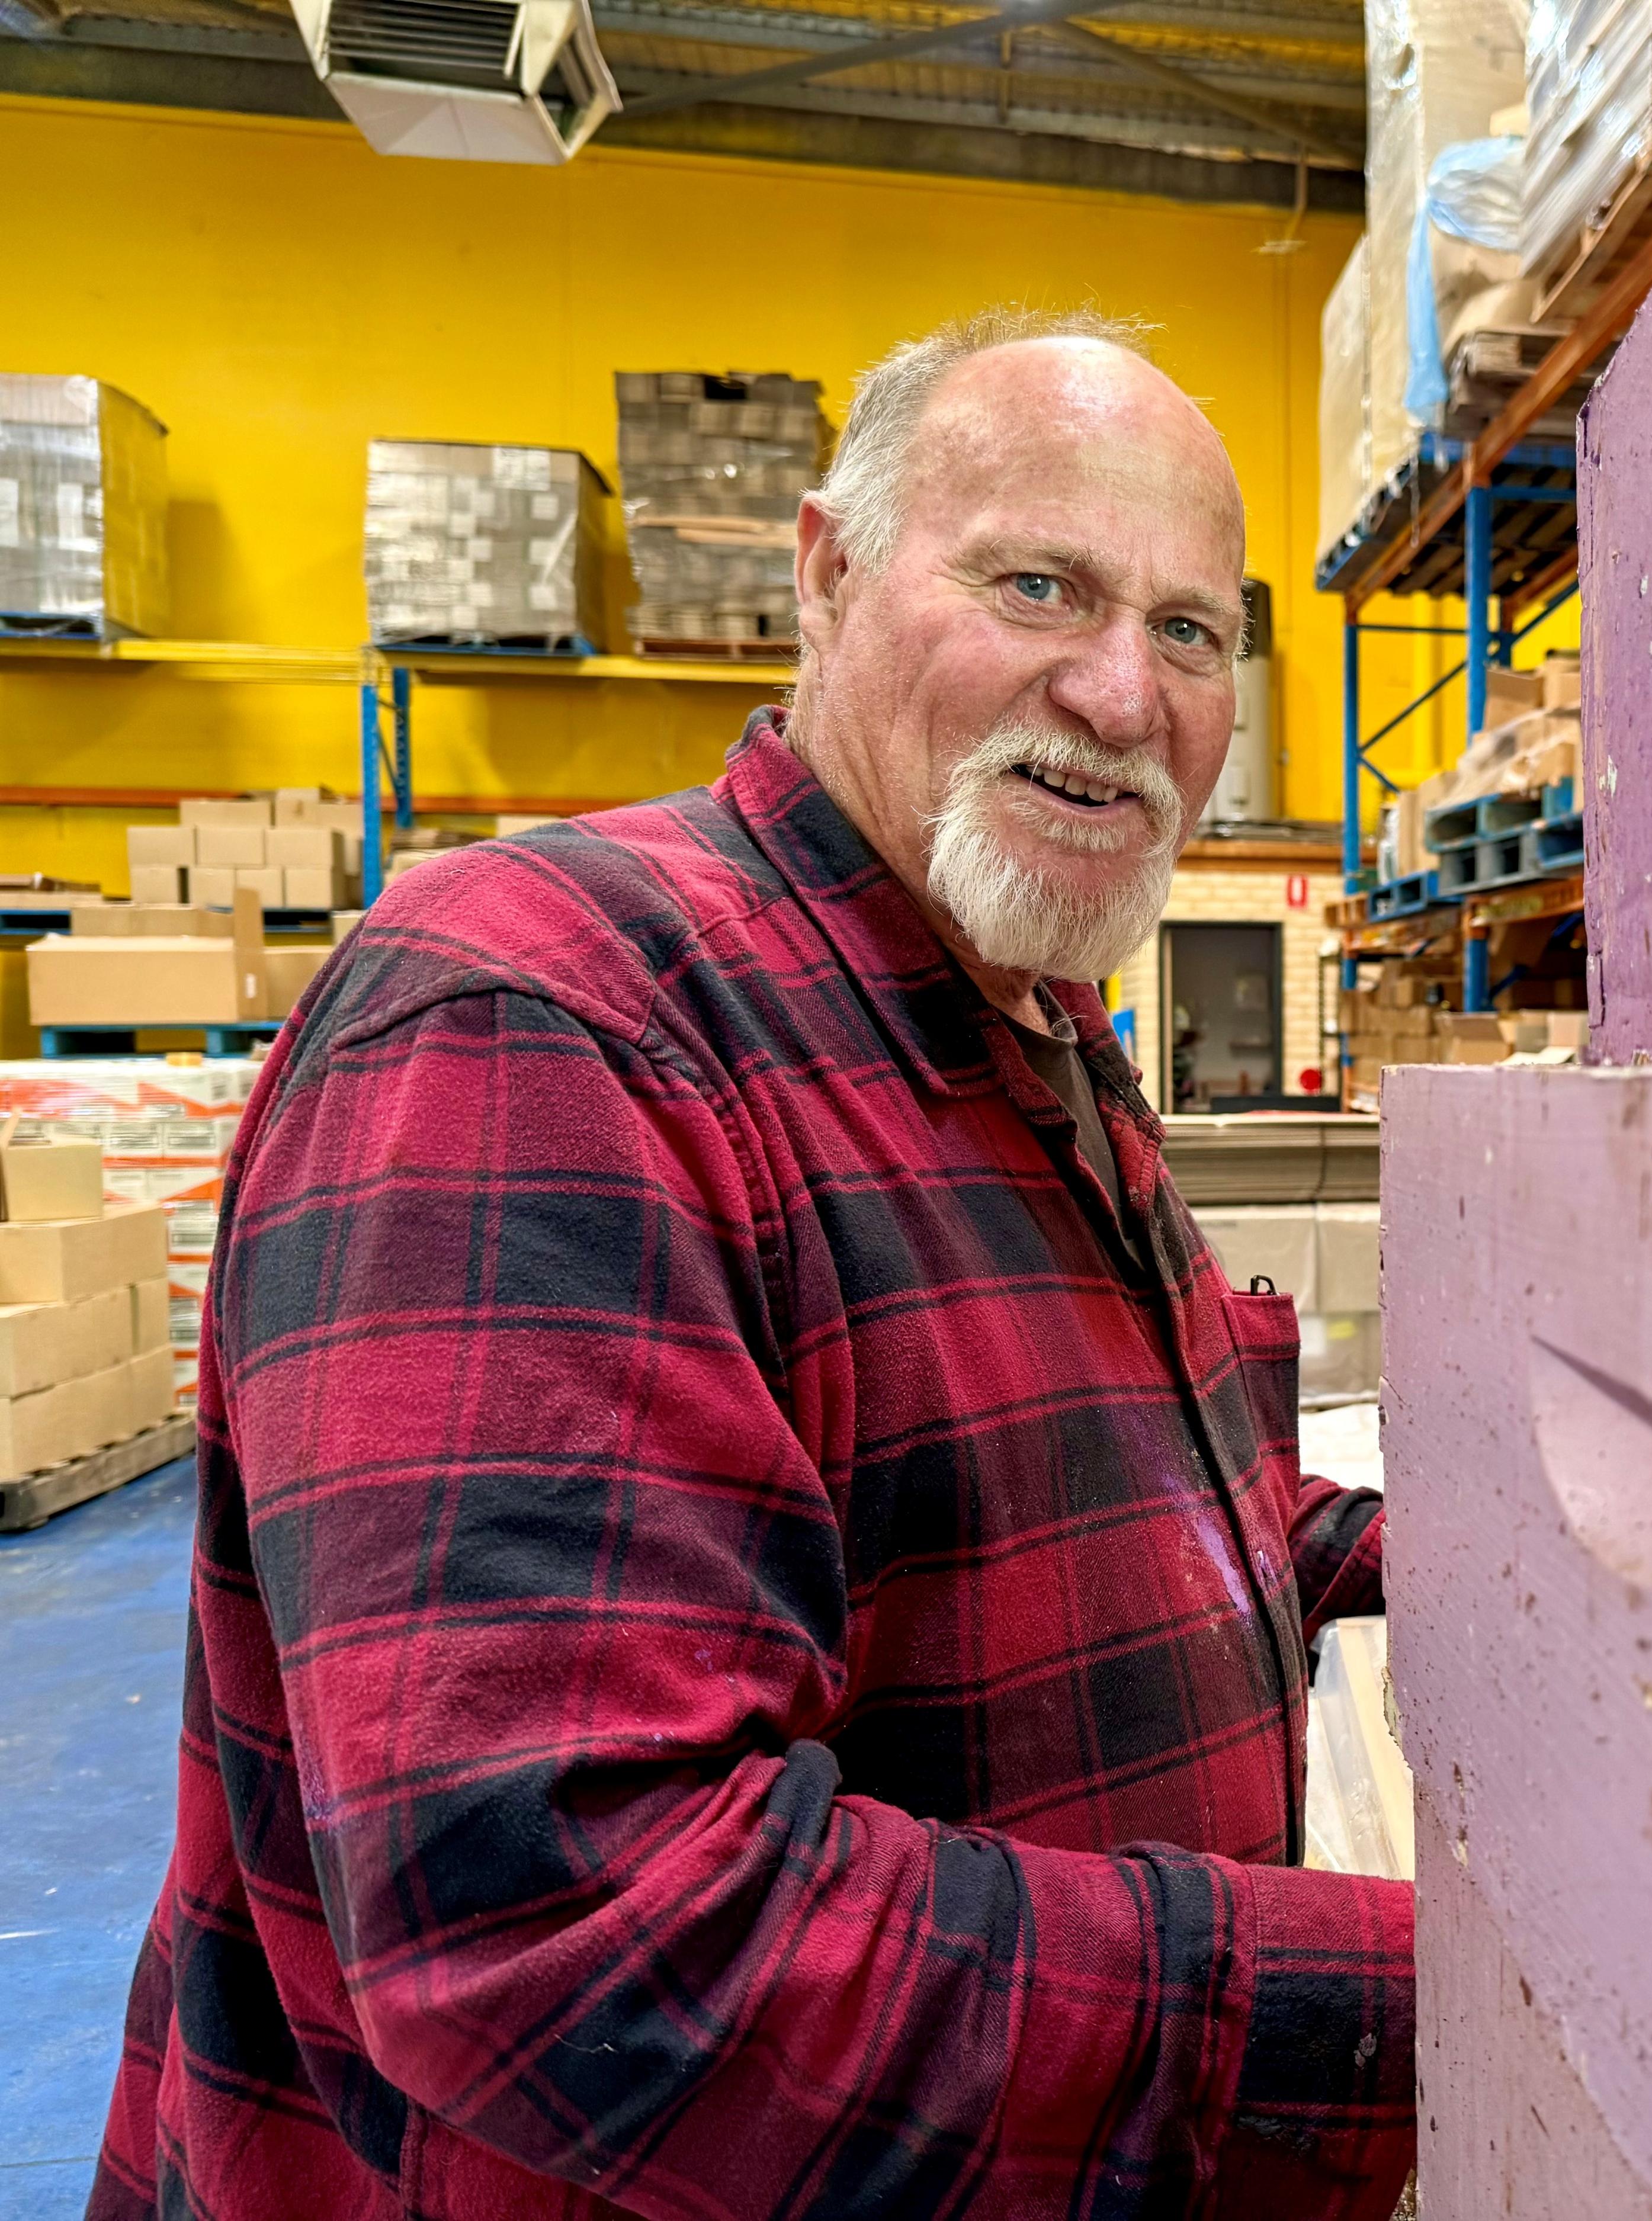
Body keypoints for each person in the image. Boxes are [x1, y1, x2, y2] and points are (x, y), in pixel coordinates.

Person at [88, 311, 1414, 2220]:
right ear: (828, 573)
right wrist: (1405, 2002)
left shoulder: (1027, 1023)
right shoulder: (546, 1022)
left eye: (1194, 632)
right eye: (1039, 586)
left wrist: (1451, 1564)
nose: (1125, 693)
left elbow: (1110, 1506)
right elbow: (579, 1933)